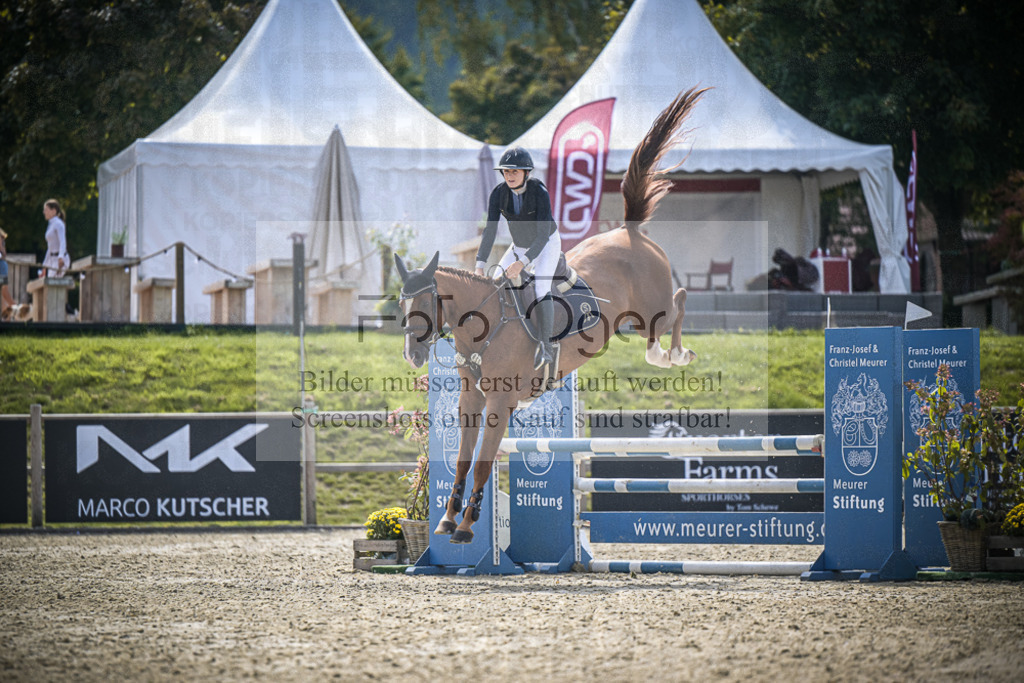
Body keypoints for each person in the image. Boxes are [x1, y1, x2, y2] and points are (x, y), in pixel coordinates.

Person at [475, 147, 561, 370]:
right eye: (506, 171)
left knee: (541, 288)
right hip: (519, 246)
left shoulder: (539, 192)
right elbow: (490, 231)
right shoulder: (498, 194)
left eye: (515, 171)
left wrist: (522, 263)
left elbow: (542, 236)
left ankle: (546, 347)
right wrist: (479, 265)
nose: (510, 175)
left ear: (526, 172)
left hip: (547, 244)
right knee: (495, 285)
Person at [42, 198, 69, 277]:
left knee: (54, 282)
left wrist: (61, 257)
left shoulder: (59, 224)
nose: (44, 212)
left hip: (60, 260)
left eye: (46, 210)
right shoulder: (50, 225)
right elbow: (50, 248)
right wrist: (44, 265)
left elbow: (62, 241)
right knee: (48, 282)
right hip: (52, 260)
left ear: (53, 211)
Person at [0, 227, 15, 319]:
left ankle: (15, 309)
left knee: (4, 292)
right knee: (3, 293)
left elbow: (2, 253)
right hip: (2, 265)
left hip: (1, 265)